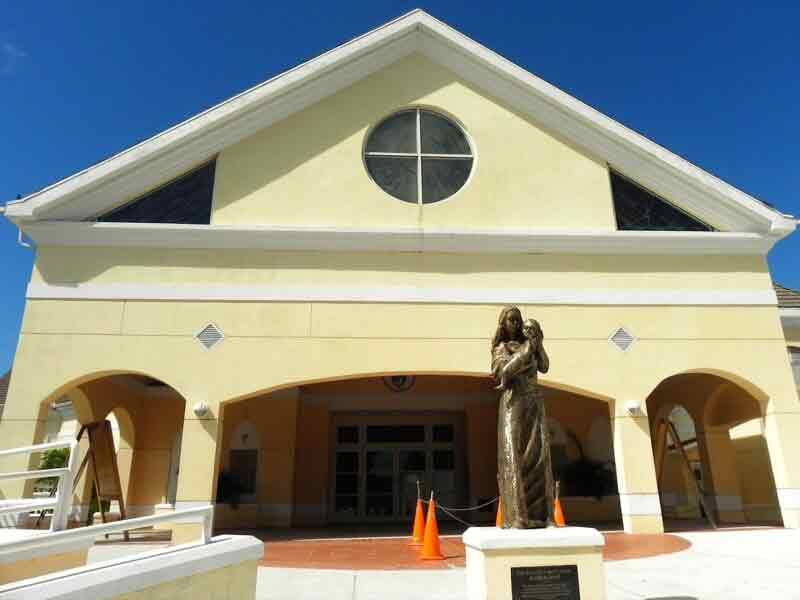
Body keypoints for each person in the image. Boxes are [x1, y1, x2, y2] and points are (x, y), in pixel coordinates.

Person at [491, 306, 553, 528]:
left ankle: (543, 516)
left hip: (534, 402)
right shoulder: (502, 347)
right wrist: (526, 352)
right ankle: (518, 517)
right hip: (513, 404)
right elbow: (502, 372)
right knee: (514, 457)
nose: (515, 324)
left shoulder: (530, 345)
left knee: (539, 455)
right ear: (504, 325)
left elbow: (544, 366)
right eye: (511, 320)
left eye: (518, 320)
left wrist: (538, 344)